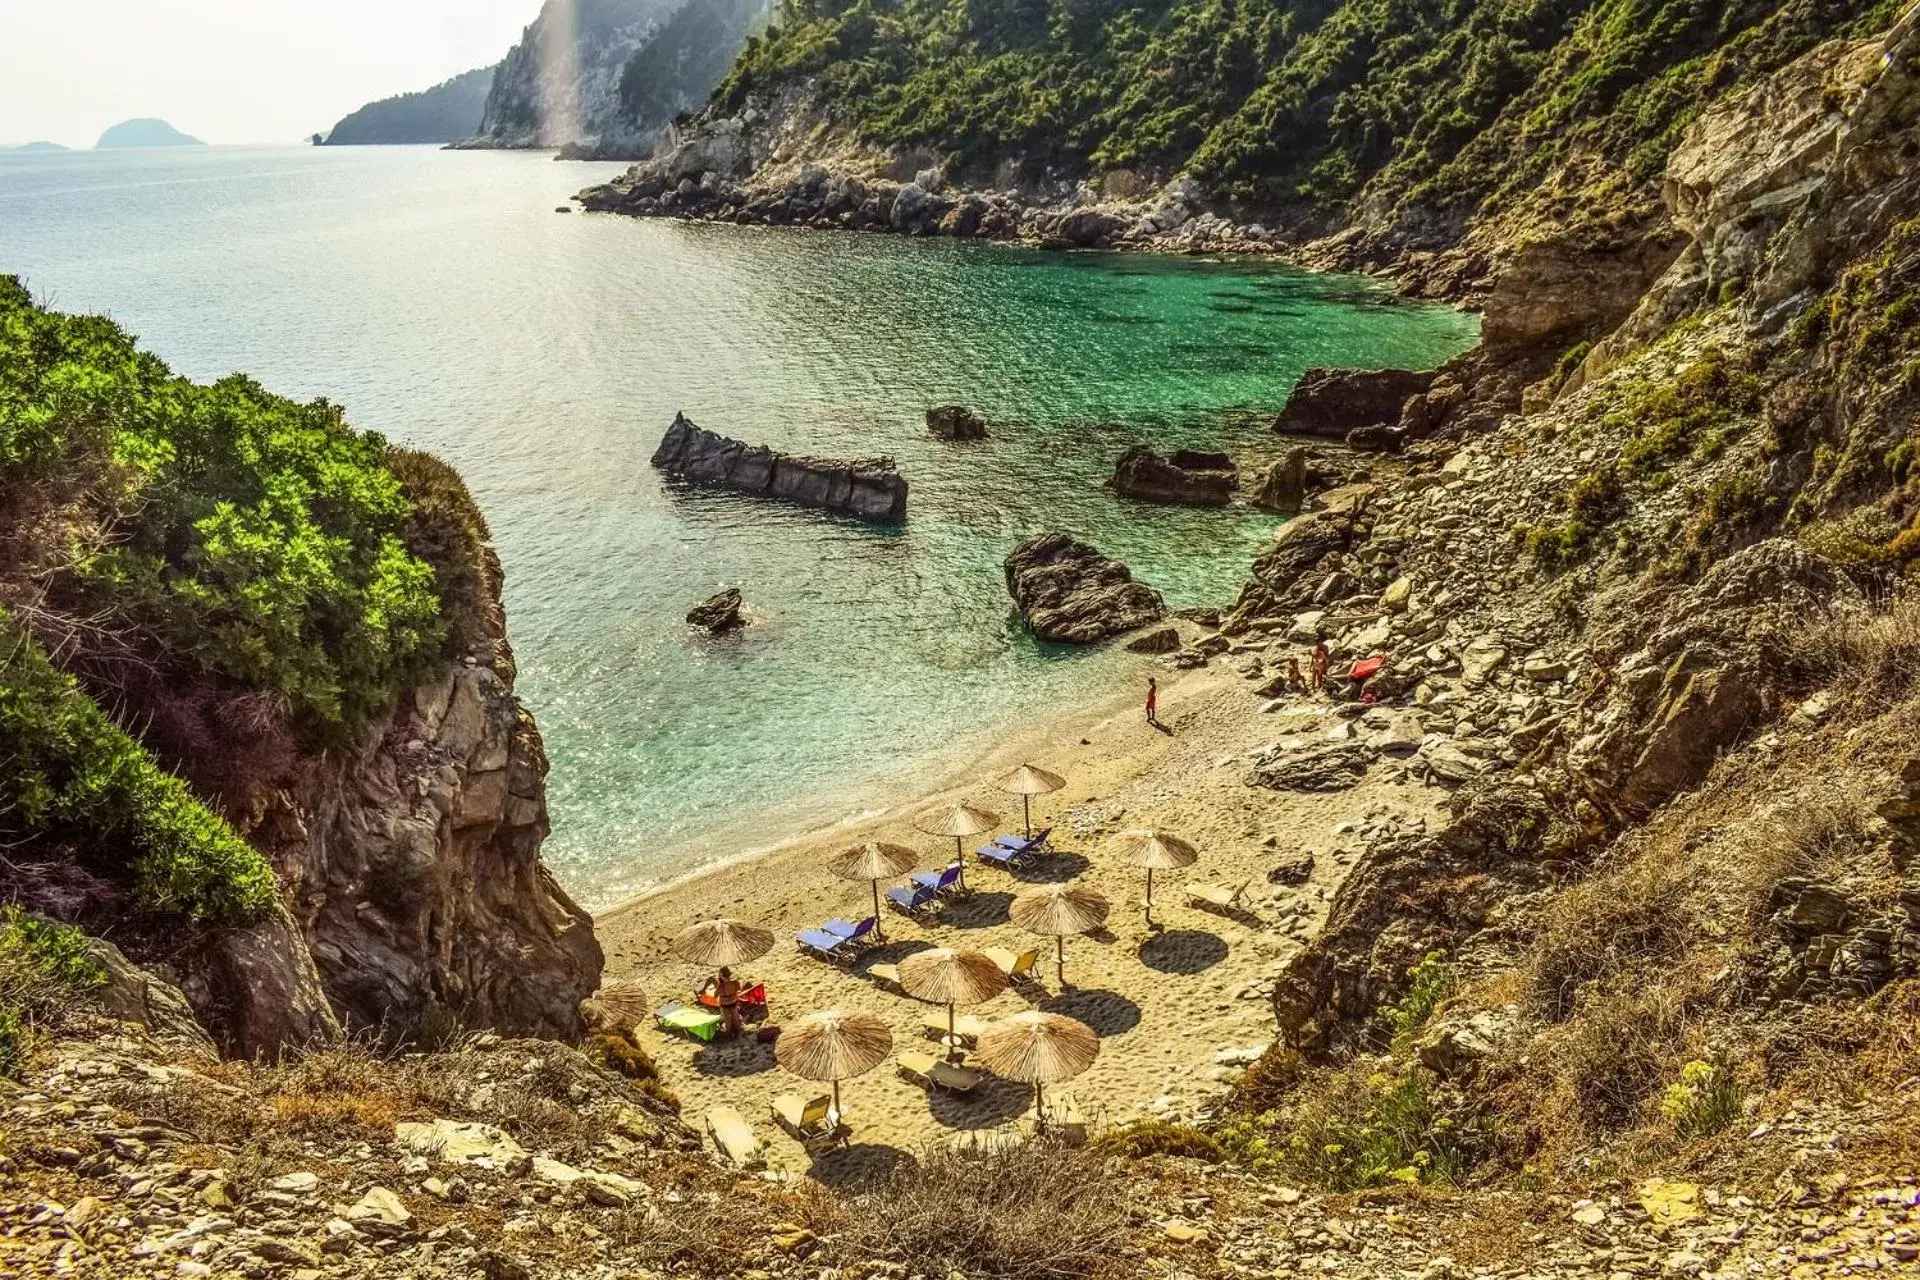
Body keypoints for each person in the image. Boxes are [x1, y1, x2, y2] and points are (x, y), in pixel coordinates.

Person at [712, 966, 742, 1036]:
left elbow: (715, 995)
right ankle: (738, 1031)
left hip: (725, 1004)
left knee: (727, 1020)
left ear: (721, 975)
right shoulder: (734, 982)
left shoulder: (721, 985)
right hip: (733, 1001)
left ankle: (727, 1033)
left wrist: (719, 983)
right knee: (735, 1017)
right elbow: (738, 988)